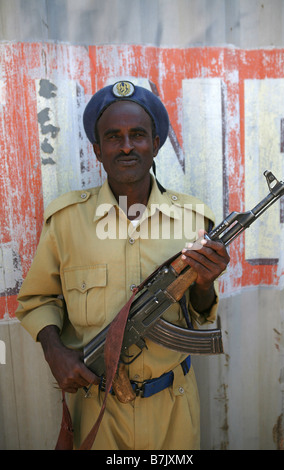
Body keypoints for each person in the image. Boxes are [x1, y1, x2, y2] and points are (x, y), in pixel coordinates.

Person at [16, 80, 230, 450]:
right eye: (114, 137)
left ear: (156, 144)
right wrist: (53, 350)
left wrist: (204, 284)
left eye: (138, 135)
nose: (127, 146)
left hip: (173, 408)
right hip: (97, 407)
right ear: (98, 150)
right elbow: (38, 300)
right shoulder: (66, 221)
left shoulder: (193, 220)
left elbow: (201, 314)